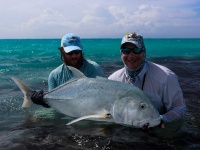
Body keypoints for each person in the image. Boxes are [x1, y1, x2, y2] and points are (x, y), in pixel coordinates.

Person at [108, 32, 187, 124]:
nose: (131, 55)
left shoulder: (165, 77)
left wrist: (161, 120)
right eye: (126, 50)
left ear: (144, 52)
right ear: (121, 54)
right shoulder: (112, 80)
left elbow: (180, 108)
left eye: (136, 50)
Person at [31, 33, 105, 108]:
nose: (74, 56)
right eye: (70, 53)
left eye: (77, 52)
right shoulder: (54, 75)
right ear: (62, 51)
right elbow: (53, 104)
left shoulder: (94, 68)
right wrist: (43, 102)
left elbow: (101, 98)